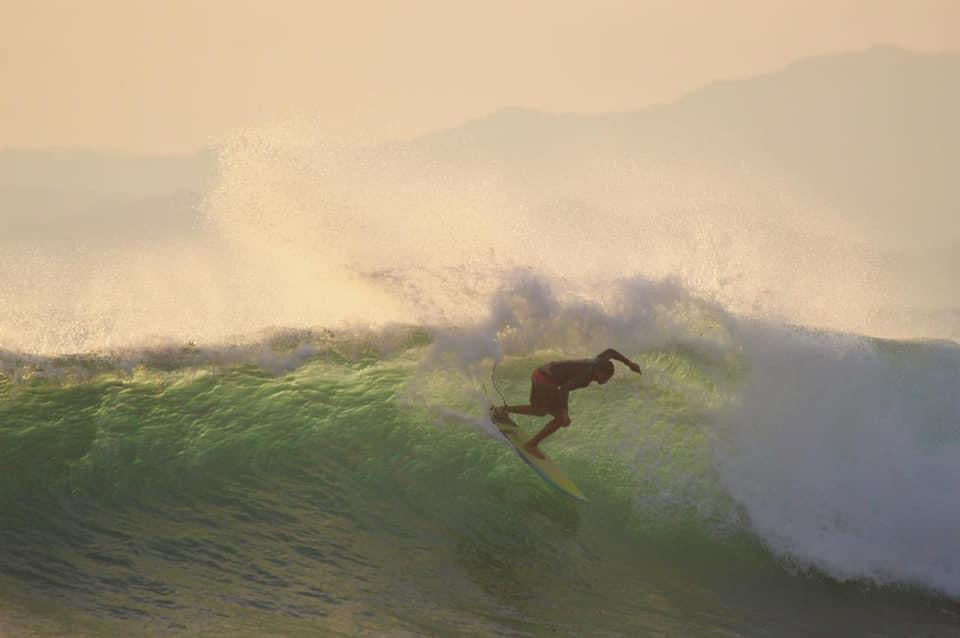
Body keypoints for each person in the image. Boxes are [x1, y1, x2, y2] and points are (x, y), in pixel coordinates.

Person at [492, 349, 642, 459]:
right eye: (605, 377)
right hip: (545, 380)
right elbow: (564, 388)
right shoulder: (585, 377)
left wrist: (629, 363)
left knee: (540, 410)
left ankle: (504, 410)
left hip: (540, 373)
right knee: (559, 419)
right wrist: (564, 412)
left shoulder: (599, 360)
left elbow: (611, 352)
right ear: (598, 371)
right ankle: (531, 445)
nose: (606, 380)